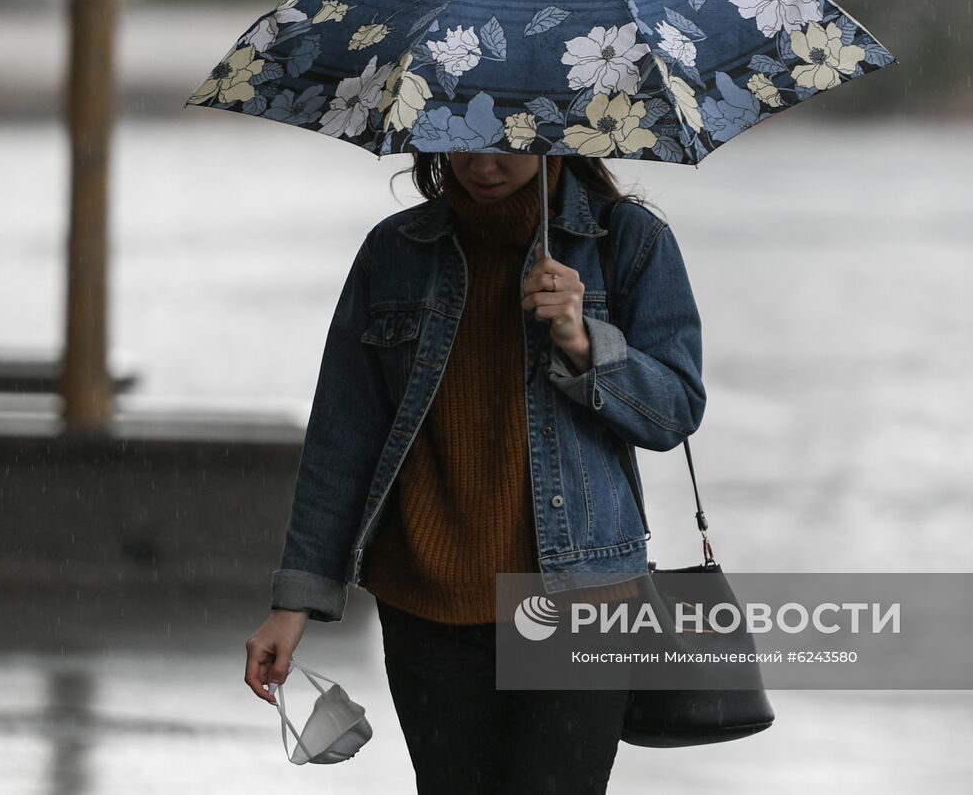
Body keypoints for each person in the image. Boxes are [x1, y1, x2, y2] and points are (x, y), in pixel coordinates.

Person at [244, 150, 706, 793]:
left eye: (508, 140)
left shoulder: (629, 240)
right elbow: (341, 439)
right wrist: (294, 603)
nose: (482, 162)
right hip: (427, 601)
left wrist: (582, 341)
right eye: (460, 137)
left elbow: (676, 411)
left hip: (580, 599)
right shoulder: (395, 251)